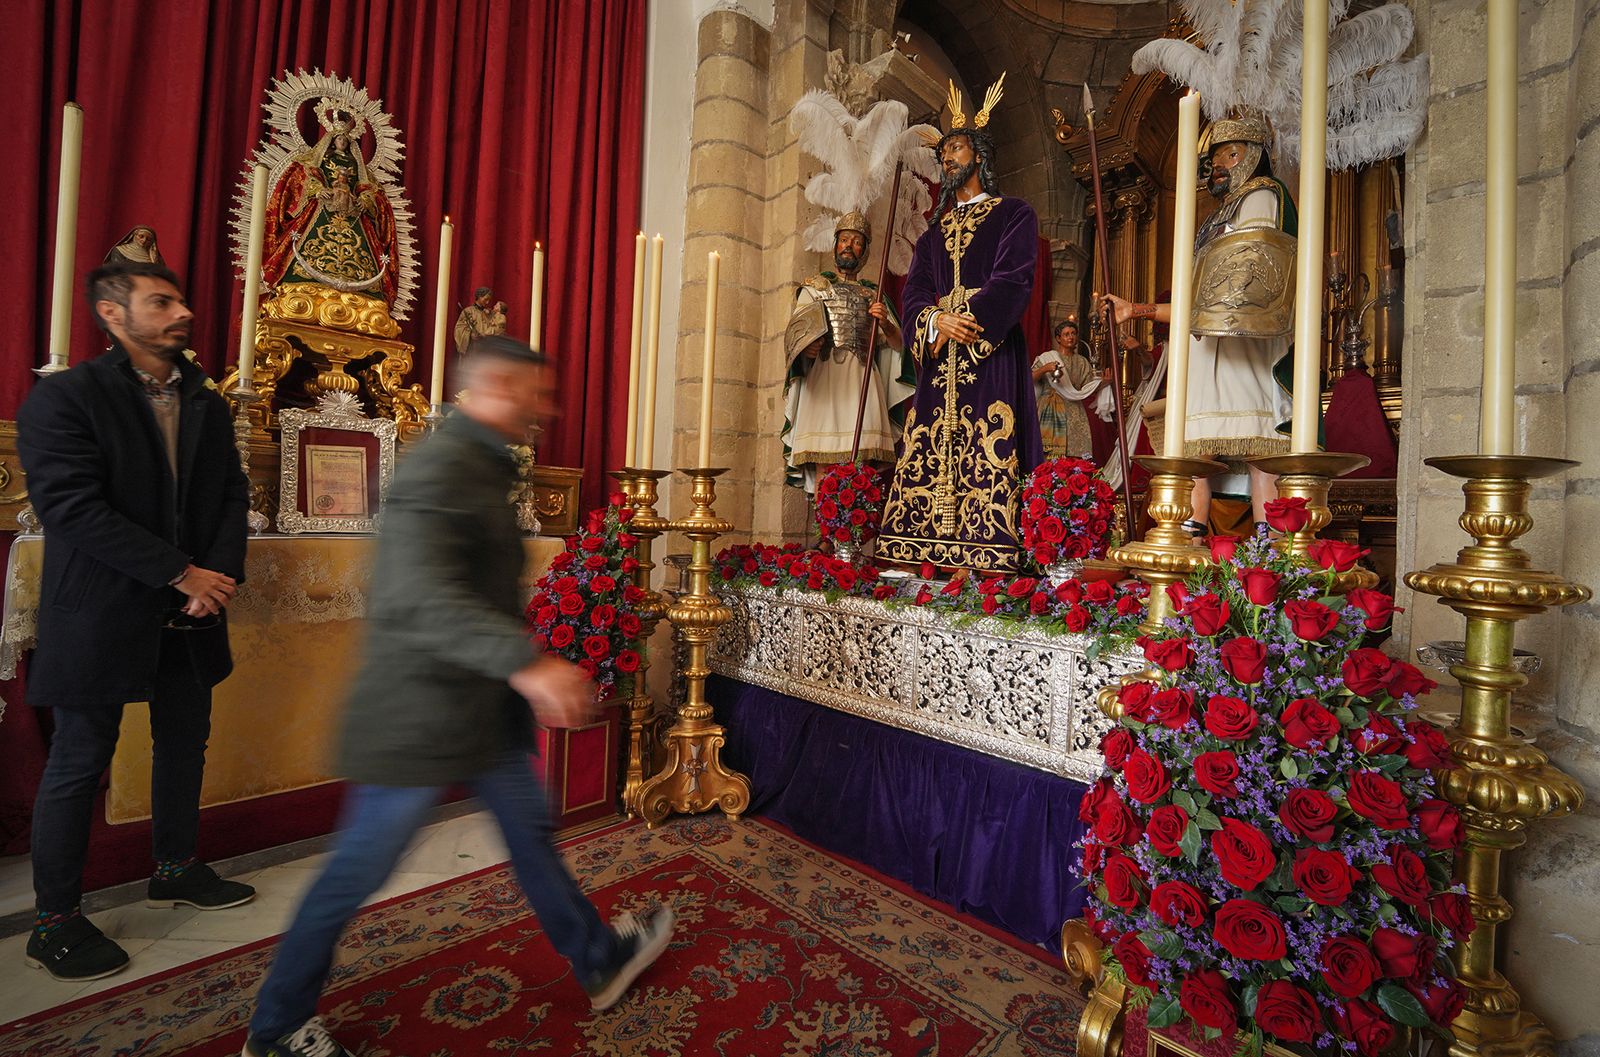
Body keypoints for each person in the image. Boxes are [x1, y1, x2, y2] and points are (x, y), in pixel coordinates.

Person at [239, 335, 673, 1057]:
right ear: (497, 385)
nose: (547, 409)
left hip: (476, 705)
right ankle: (277, 1023)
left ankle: (598, 957)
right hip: (420, 708)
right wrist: (527, 665)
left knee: (530, 833)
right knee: (359, 866)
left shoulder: (479, 463)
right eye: (535, 394)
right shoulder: (441, 467)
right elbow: (420, 596)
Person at [17, 260, 253, 982]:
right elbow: (72, 508)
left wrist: (214, 579)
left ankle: (175, 865)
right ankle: (54, 919)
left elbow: (230, 498)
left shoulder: (208, 402)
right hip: (102, 607)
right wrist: (179, 572)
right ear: (113, 316)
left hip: (193, 608)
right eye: (162, 301)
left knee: (185, 742)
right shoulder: (67, 398)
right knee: (80, 758)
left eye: (181, 298)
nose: (182, 311)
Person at [878, 75, 1043, 572]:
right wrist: (932, 321)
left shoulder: (1014, 213)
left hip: (988, 354)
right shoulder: (932, 236)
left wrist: (964, 322)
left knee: (992, 440)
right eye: (944, 150)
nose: (947, 158)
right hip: (939, 357)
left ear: (980, 157)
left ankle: (992, 551)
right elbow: (914, 294)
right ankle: (925, 548)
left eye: (957, 148)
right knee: (927, 443)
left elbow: (1013, 279)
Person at [1104, 113, 1295, 536]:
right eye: (1215, 158)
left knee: (1257, 440)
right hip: (1205, 345)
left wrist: (1152, 310)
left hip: (1245, 342)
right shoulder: (1214, 218)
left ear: (1255, 155)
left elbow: (1249, 279)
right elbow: (1194, 301)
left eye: (1231, 153)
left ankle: (1268, 552)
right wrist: (1135, 310)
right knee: (1197, 450)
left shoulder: (1262, 195)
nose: (1220, 165)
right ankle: (1186, 542)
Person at [781, 211, 914, 491]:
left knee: (862, 470)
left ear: (864, 251)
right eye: (843, 240)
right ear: (835, 245)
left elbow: (899, 347)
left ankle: (857, 532)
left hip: (862, 386)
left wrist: (887, 325)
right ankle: (827, 531)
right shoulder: (814, 289)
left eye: (856, 242)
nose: (848, 246)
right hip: (823, 385)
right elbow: (795, 339)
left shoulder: (873, 295)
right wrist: (808, 348)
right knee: (824, 469)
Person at [262, 112, 400, 306]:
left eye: (345, 139)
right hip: (323, 208)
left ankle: (364, 293)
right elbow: (308, 176)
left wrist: (365, 200)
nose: (342, 142)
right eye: (339, 139)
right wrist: (318, 190)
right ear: (331, 140)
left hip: (352, 213)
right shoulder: (317, 160)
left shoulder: (357, 165)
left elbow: (367, 188)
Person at [1031, 319, 1099, 459]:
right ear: (1058, 338)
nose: (1071, 337)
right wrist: (1045, 368)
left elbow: (1088, 387)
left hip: (1074, 409)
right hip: (1049, 407)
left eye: (1073, 333)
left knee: (1075, 454)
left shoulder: (1082, 361)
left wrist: (1103, 382)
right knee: (1047, 455)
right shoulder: (1047, 358)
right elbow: (1029, 379)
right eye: (1066, 334)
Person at [453, 285, 508, 358]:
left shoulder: (491, 313)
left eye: (489, 300)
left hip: (487, 352)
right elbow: (459, 330)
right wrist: (470, 335)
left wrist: (487, 335)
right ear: (479, 297)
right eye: (486, 299)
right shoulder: (468, 311)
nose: (488, 302)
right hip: (472, 351)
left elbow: (500, 329)